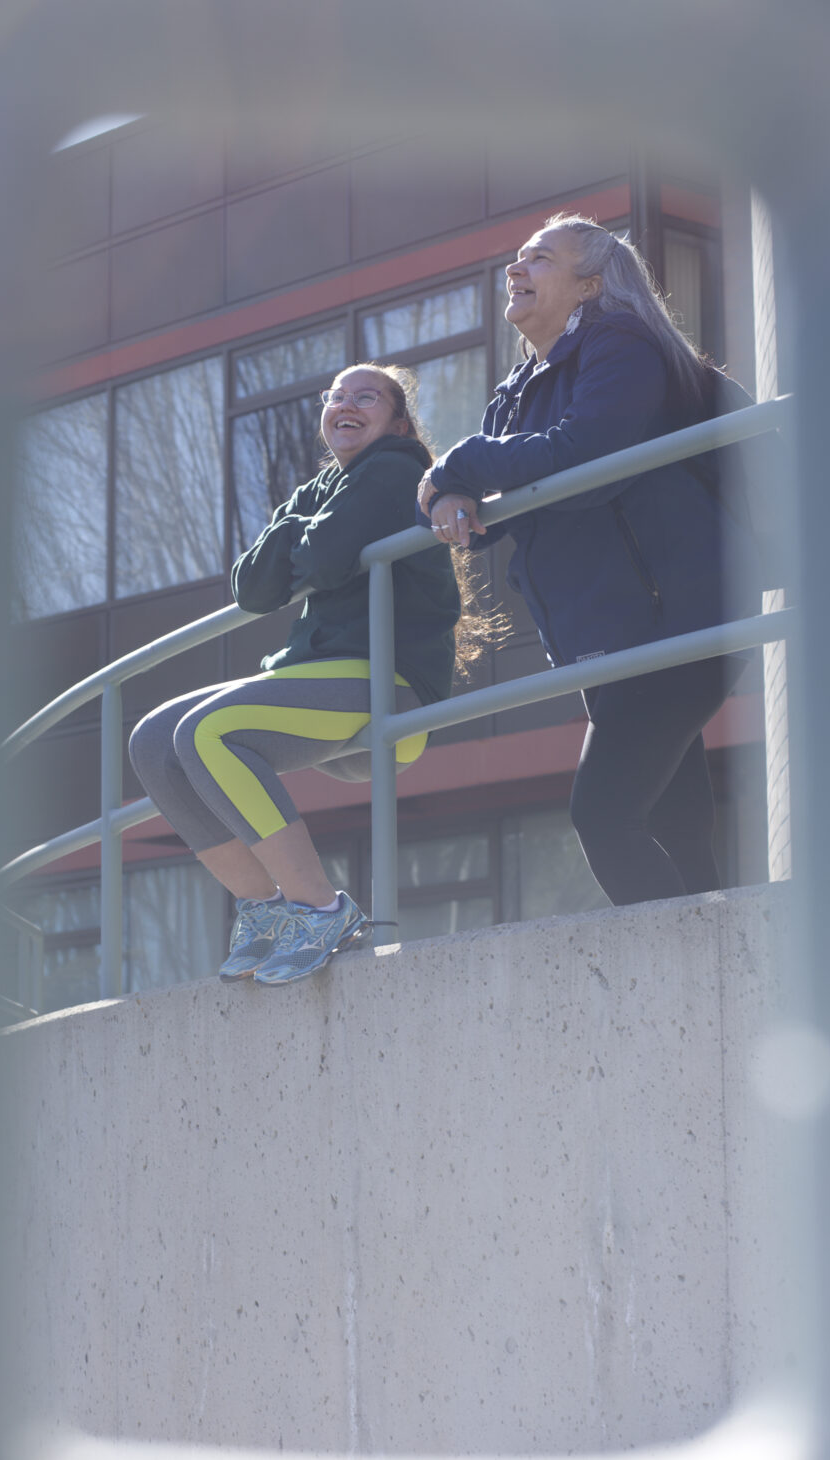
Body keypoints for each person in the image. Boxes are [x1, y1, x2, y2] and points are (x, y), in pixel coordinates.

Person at [418, 213, 760, 908]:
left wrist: (459, 463)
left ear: (589, 284)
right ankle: (728, 977)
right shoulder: (516, 389)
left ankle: (685, 985)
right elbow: (489, 514)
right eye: (514, 259)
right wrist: (452, 492)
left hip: (679, 619)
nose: (514, 270)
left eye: (538, 259)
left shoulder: (621, 342)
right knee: (672, 818)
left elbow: (586, 460)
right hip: (600, 636)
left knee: (603, 815)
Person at [129, 364, 460, 985]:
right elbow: (252, 588)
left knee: (209, 731)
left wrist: (300, 546)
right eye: (336, 397)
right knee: (152, 740)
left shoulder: (395, 468)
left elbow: (326, 558)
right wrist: (298, 532)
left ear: (398, 421)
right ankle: (264, 910)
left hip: (387, 686)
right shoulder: (325, 489)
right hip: (316, 683)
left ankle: (319, 908)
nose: (346, 404)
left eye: (366, 397)